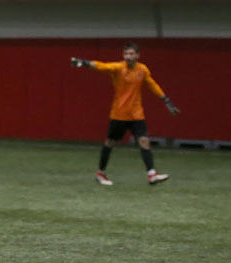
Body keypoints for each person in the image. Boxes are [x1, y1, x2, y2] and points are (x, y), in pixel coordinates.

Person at [71, 42, 180, 186]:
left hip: (136, 115)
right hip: (119, 114)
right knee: (110, 143)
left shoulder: (142, 70)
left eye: (131, 54)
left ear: (137, 55)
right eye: (126, 54)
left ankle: (152, 174)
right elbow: (102, 66)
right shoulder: (118, 68)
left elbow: (152, 85)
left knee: (144, 141)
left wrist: (166, 100)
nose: (128, 56)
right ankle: (100, 173)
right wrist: (83, 63)